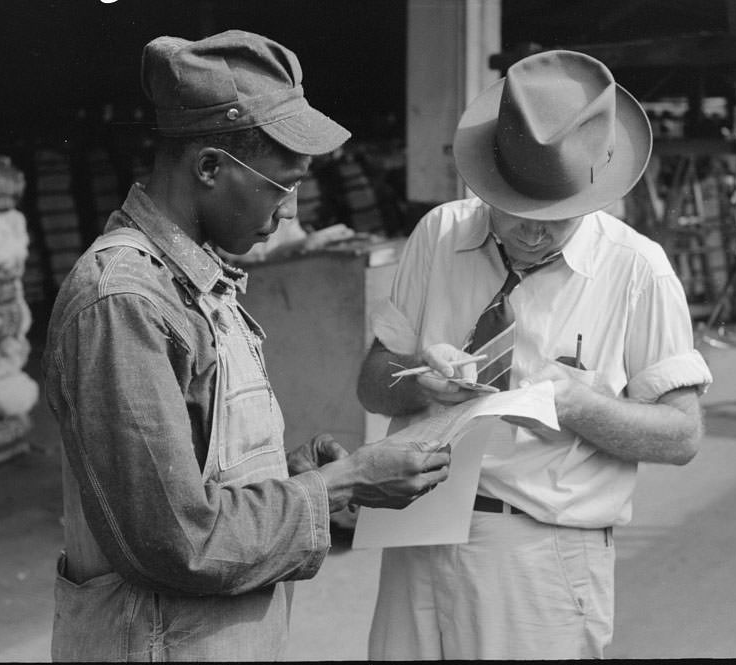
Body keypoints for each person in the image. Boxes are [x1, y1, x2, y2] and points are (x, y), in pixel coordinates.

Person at [42, 29, 451, 662]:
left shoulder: (195, 279)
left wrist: (285, 472)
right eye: (282, 187)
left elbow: (188, 470)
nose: (291, 213)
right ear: (209, 167)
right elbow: (177, 540)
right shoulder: (124, 303)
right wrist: (341, 485)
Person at [356, 50, 712, 660]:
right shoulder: (440, 235)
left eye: (556, 218)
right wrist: (420, 383)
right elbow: (372, 382)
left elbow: (681, 435)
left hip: (539, 553)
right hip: (417, 528)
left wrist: (578, 406)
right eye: (515, 211)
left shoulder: (635, 270)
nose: (532, 232)